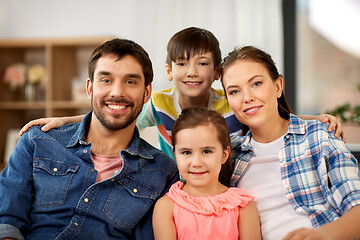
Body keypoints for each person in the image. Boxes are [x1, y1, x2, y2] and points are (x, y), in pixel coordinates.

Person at [18, 27, 344, 160]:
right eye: (182, 63)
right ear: (169, 71)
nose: (192, 72)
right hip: (175, 176)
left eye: (202, 64)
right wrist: (64, 119)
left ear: (216, 73)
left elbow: (268, 114)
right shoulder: (157, 102)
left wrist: (315, 118)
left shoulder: (227, 103)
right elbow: (114, 113)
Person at [0, 38, 178, 239]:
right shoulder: (37, 141)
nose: (117, 92)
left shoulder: (163, 173)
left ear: (146, 93)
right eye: (106, 80)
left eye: (130, 81)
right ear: (89, 88)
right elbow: (7, 221)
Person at [221, 45, 360, 240]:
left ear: (277, 86)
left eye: (256, 84)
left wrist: (322, 235)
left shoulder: (320, 136)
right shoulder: (229, 153)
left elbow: (357, 207)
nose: (248, 98)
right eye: (235, 91)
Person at [152, 106, 261, 240]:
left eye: (207, 151)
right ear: (175, 154)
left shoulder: (243, 206)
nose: (196, 162)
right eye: (186, 152)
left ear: (224, 154)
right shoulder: (166, 207)